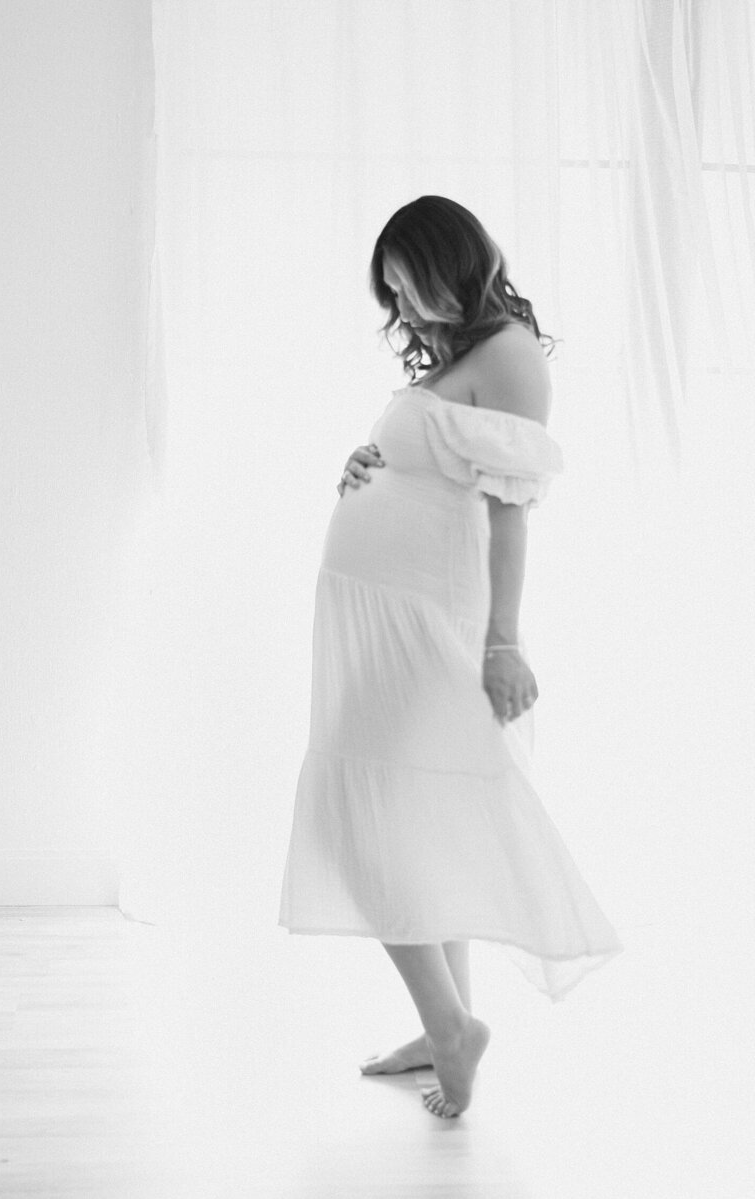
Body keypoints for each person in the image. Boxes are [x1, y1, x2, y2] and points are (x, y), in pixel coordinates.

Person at [278, 195, 623, 1119]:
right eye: (392, 294)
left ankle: (452, 1025)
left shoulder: (507, 351)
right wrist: (370, 460)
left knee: (362, 824)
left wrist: (503, 641)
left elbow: (510, 511)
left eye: (412, 283)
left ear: (452, 261)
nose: (407, 308)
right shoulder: (457, 357)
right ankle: (447, 1023)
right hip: (388, 622)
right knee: (421, 823)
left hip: (430, 628)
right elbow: (438, 466)